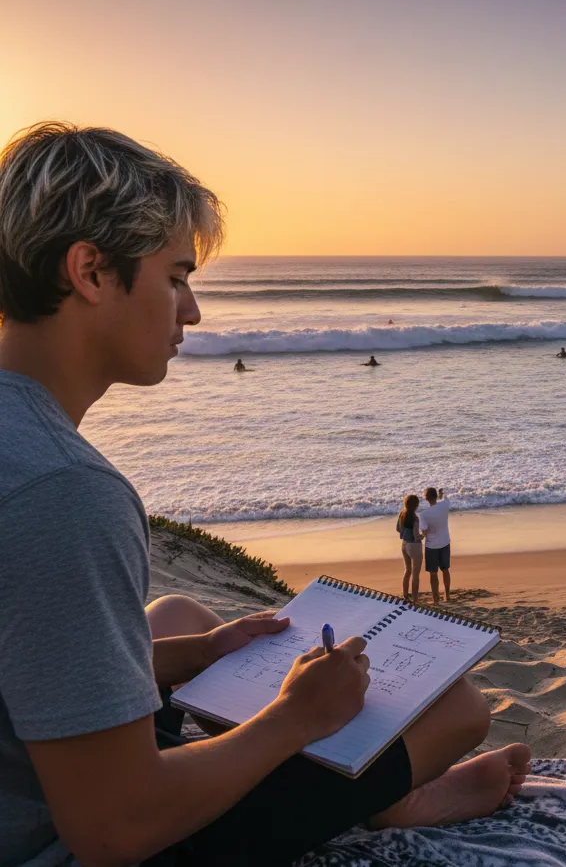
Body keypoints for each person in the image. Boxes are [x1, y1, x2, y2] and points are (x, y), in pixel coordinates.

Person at [0, 123, 530, 867]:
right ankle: (399, 802)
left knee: (182, 619)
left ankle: (357, 781)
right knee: (458, 709)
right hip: (74, 841)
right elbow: (114, 829)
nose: (192, 312)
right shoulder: (66, 490)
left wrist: (200, 653)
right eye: (177, 277)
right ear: (91, 272)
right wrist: (291, 721)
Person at [418, 487, 453, 604]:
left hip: (431, 546)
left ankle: (435, 598)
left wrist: (422, 535)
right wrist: (442, 494)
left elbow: (424, 530)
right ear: (436, 497)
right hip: (445, 542)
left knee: (433, 573)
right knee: (445, 570)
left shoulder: (424, 514)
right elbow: (446, 499)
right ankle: (447, 595)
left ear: (426, 498)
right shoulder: (444, 506)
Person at [396, 494, 423, 603]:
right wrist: (424, 534)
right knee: (416, 573)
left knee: (407, 570)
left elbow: (398, 529)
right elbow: (417, 536)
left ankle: (405, 594)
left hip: (404, 544)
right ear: (415, 505)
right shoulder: (415, 518)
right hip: (414, 546)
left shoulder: (402, 514)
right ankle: (415, 598)